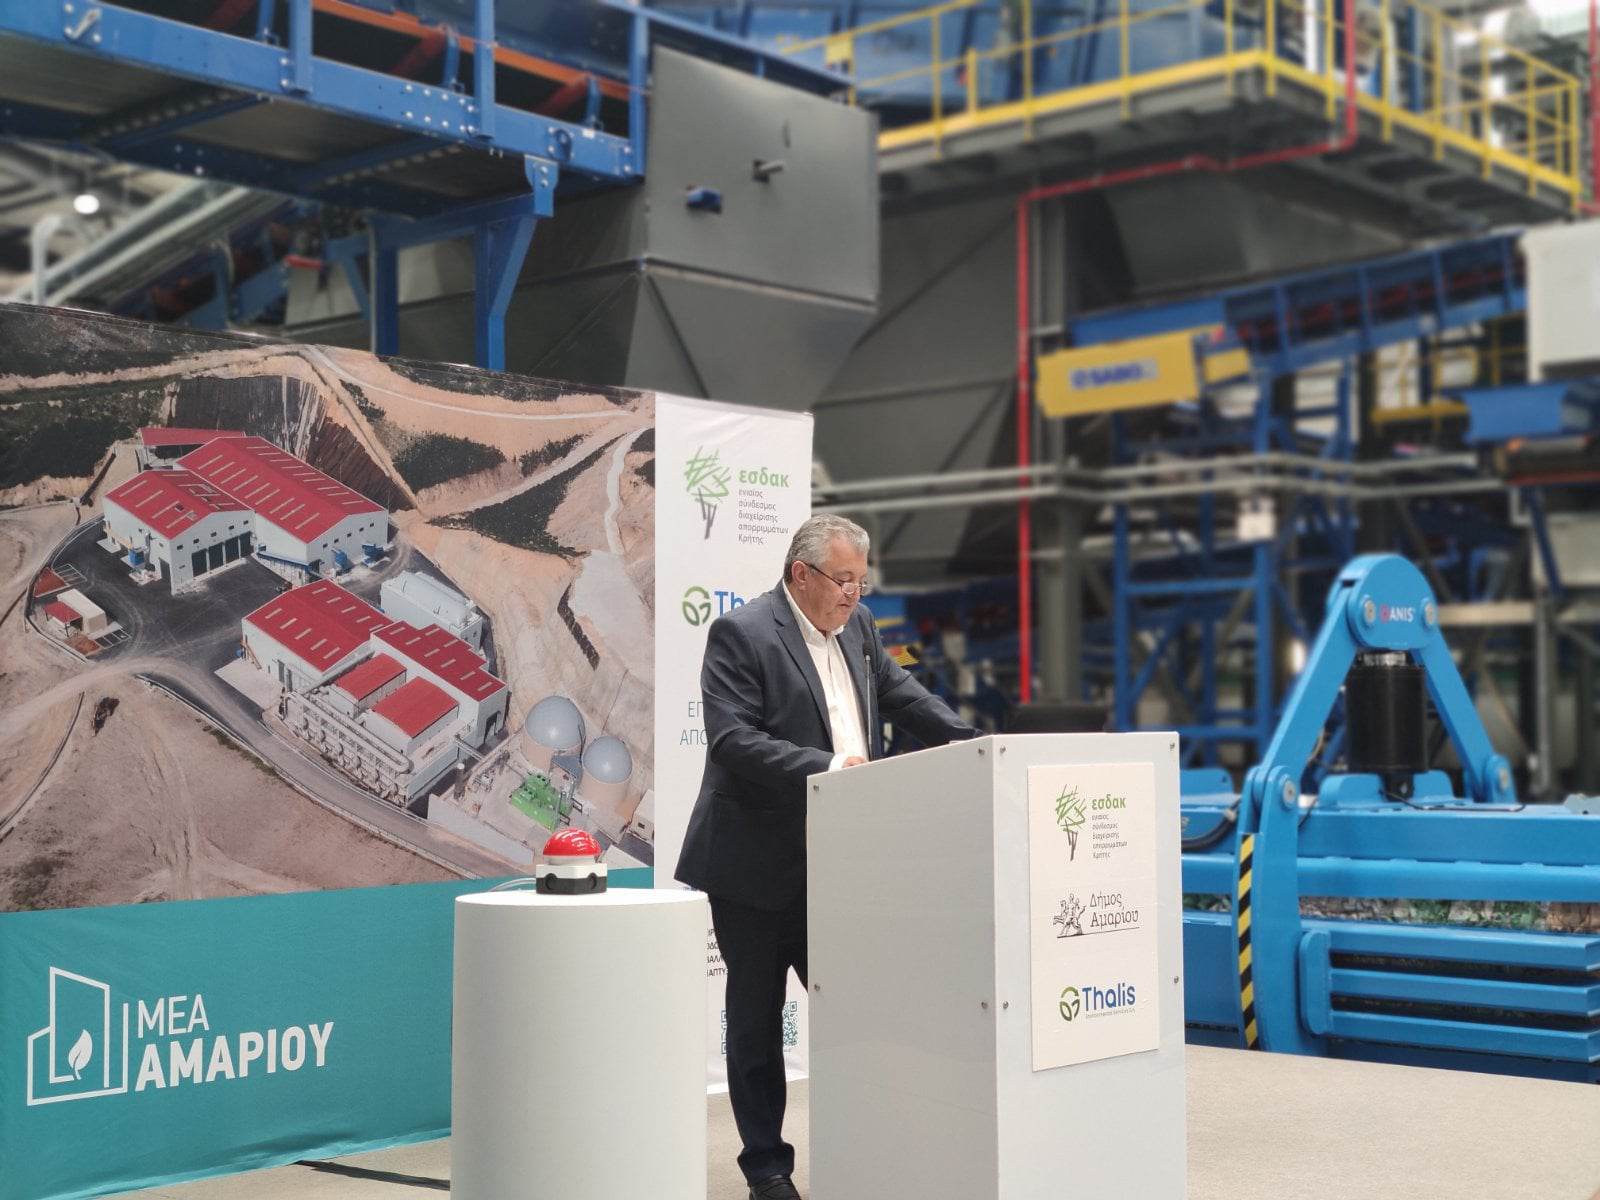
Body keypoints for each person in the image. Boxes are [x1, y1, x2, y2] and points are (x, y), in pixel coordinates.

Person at [675, 513, 977, 1200]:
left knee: (864, 1011)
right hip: (754, 864)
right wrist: (829, 768)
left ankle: (875, 1143)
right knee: (756, 1023)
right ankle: (767, 1170)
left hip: (842, 864)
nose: (853, 595)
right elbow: (731, 740)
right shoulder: (743, 633)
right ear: (800, 574)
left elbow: (899, 693)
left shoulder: (859, 629)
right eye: (842, 580)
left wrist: (970, 741)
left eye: (861, 583)